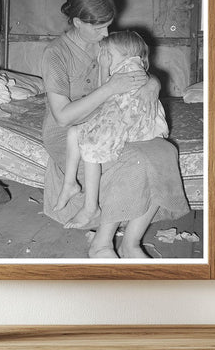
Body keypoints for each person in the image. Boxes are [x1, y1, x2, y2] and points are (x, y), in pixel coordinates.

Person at [41, 0, 190, 258]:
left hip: (113, 123)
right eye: (98, 28)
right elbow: (62, 117)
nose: (105, 34)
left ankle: (131, 244)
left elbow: (137, 67)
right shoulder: (56, 55)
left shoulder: (107, 43)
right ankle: (101, 244)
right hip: (69, 132)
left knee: (164, 152)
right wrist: (109, 89)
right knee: (134, 161)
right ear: (77, 22)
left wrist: (152, 84)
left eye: (108, 26)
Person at [53, 31, 170, 234]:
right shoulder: (128, 66)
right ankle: (70, 183)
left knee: (90, 145)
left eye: (107, 53)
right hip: (124, 118)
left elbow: (113, 98)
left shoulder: (130, 69)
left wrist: (106, 67)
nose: (102, 56)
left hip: (135, 125)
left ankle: (91, 206)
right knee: (74, 133)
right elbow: (107, 91)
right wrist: (106, 67)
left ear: (124, 53)